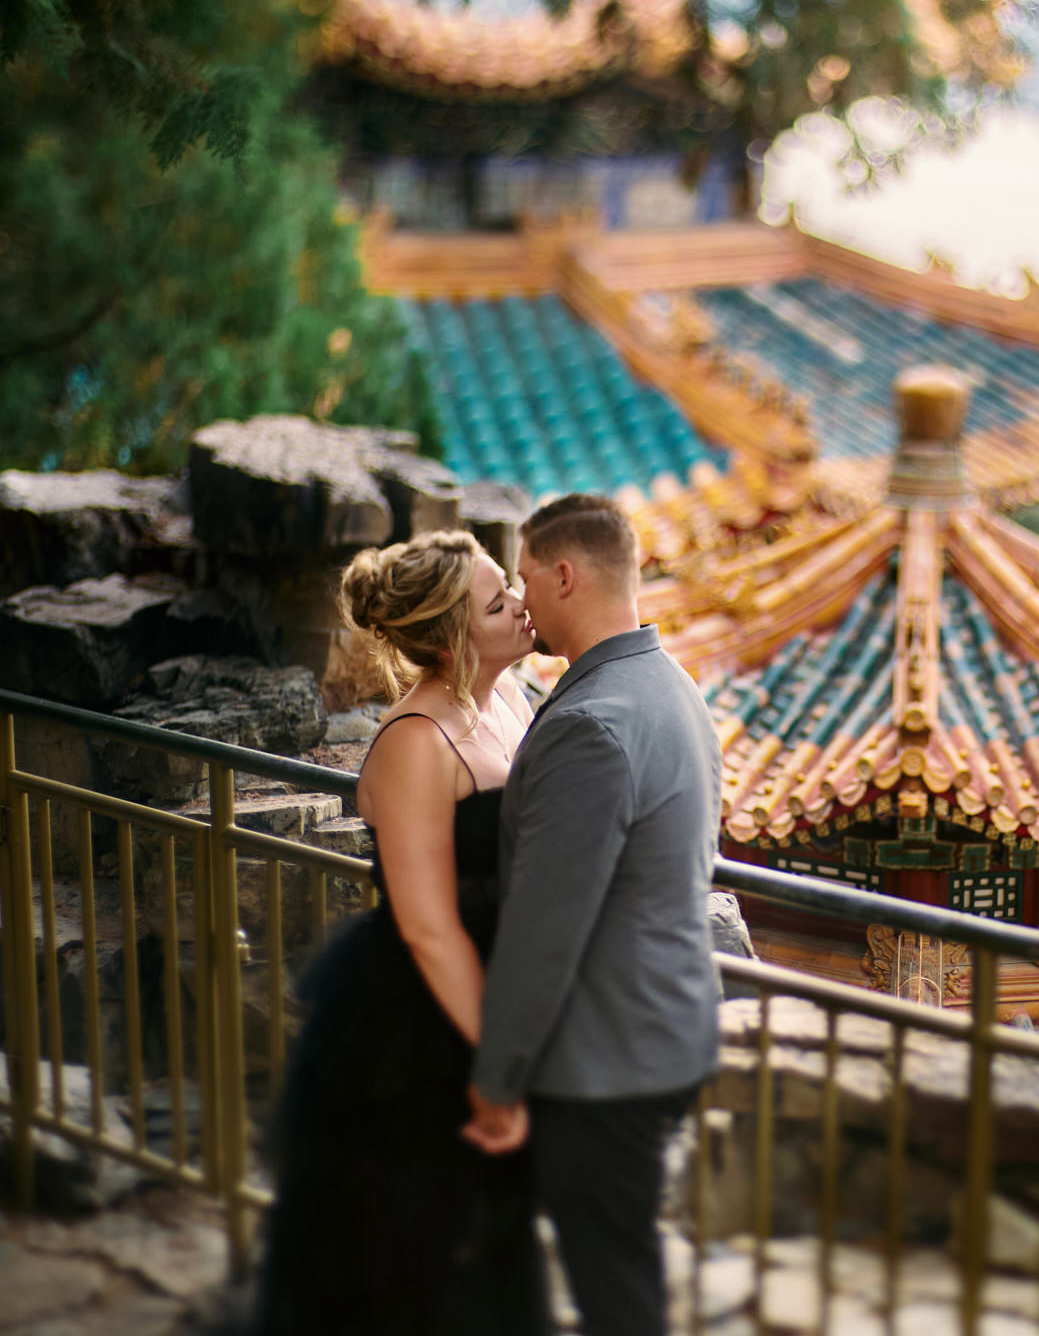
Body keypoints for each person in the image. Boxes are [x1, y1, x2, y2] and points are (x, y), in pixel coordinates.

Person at [254, 530, 552, 1336]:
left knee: (492, 1240)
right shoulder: (415, 743)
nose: (522, 604)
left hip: (501, 985)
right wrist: (501, 1062)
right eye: (498, 602)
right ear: (453, 637)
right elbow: (426, 924)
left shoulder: (511, 701)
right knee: (410, 1246)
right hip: (425, 1017)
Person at [462, 494, 723, 1336]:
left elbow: (547, 927)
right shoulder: (673, 687)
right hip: (666, 1028)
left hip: (608, 1059)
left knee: (614, 1287)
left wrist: (498, 1077)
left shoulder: (589, 724)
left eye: (527, 576)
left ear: (565, 574)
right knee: (619, 1266)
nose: (522, 596)